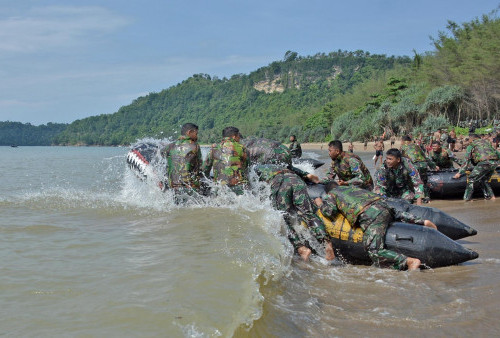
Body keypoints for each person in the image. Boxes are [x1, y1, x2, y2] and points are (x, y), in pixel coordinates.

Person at [314, 185, 436, 271]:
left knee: (374, 250)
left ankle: (408, 261)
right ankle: (423, 222)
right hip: (383, 205)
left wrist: (320, 203)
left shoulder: (333, 193)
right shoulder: (352, 188)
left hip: (370, 214)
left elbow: (329, 212)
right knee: (396, 215)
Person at [253, 164, 335, 262]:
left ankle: (301, 249)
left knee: (283, 218)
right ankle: (327, 244)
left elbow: (257, 189)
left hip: (280, 182)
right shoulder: (279, 165)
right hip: (296, 180)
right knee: (308, 213)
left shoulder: (256, 168)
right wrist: (308, 175)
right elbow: (294, 169)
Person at [203, 126, 249, 195]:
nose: (239, 138)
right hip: (238, 188)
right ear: (234, 137)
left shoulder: (213, 149)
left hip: (220, 188)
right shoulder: (242, 148)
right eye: (238, 136)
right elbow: (246, 167)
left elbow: (205, 170)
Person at [453, 133, 500, 201]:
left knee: (471, 179)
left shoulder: (471, 145)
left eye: (468, 139)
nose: (468, 141)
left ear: (472, 139)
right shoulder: (487, 143)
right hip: (494, 163)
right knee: (484, 180)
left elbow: (466, 160)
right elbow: (498, 153)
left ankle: (467, 199)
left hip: (484, 163)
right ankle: (491, 196)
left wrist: (460, 173)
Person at [162, 123, 203, 196]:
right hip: (190, 188)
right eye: (196, 134)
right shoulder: (195, 146)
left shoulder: (169, 147)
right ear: (189, 132)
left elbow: (161, 156)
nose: (197, 137)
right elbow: (200, 167)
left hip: (173, 188)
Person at [400, 135, 437, 201]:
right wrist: (433, 166)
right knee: (424, 181)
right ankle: (427, 197)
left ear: (402, 141)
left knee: (411, 181)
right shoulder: (416, 146)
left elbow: (400, 159)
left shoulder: (403, 147)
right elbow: (425, 157)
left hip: (413, 166)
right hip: (423, 165)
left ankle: (412, 197)